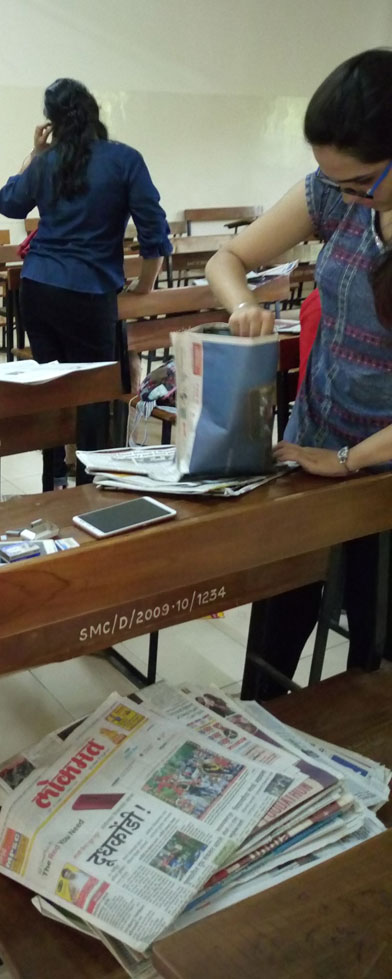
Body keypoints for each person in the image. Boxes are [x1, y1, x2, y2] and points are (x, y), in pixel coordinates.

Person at [205, 48, 392, 698]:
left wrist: (347, 460)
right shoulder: (340, 197)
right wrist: (244, 306)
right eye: (329, 178)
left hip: (375, 472)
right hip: (312, 447)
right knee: (271, 658)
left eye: (360, 181)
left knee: (374, 670)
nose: (343, 197)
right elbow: (227, 258)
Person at [0, 77, 172, 489]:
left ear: (52, 122)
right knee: (92, 395)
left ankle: (52, 477)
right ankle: (91, 486)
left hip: (37, 288)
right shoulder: (125, 159)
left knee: (51, 389)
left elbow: (8, 203)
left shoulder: (46, 162)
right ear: (94, 110)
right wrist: (145, 285)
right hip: (91, 293)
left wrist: (34, 154)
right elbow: (154, 231)